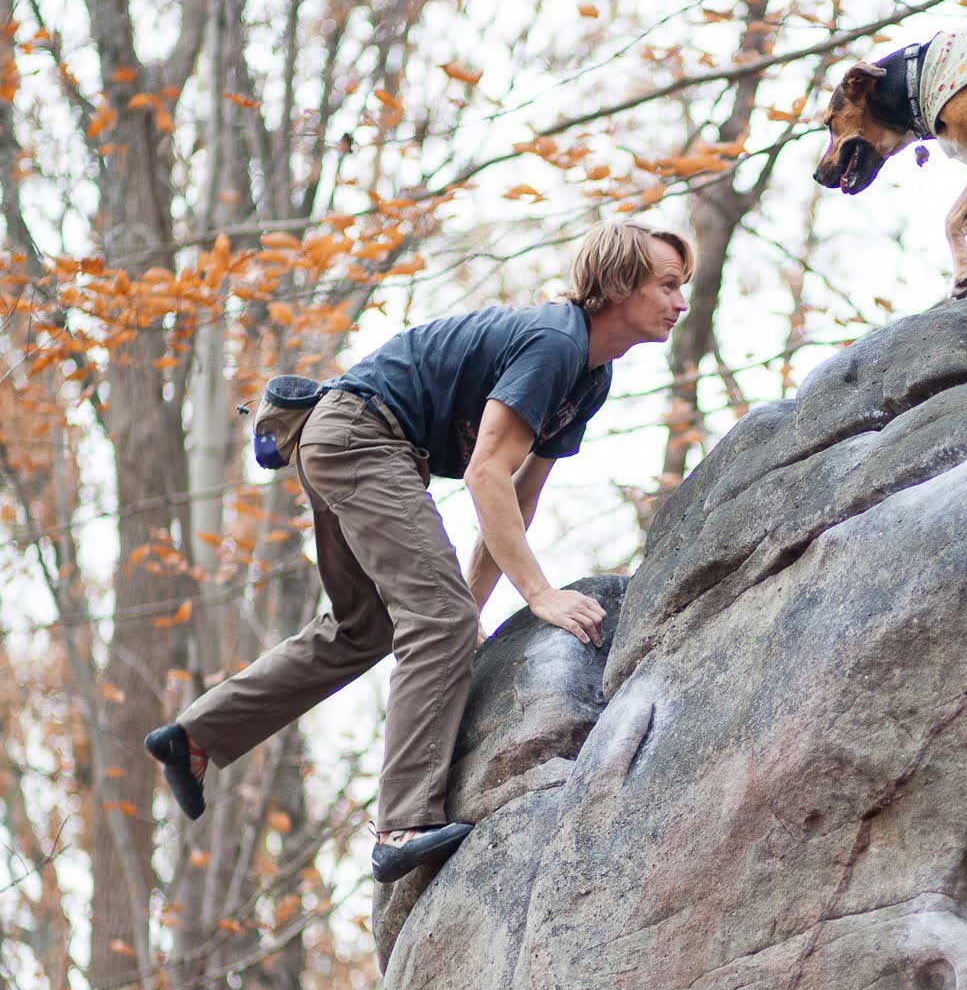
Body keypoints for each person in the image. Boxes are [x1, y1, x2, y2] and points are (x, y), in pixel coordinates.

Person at [145, 220, 693, 882]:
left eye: (683, 287)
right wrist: (537, 595)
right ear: (617, 285)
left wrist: (472, 610)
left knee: (365, 630)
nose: (680, 301)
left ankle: (197, 736)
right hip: (360, 435)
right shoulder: (554, 345)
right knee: (438, 621)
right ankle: (404, 825)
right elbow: (485, 473)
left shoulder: (590, 379)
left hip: (343, 440)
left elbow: (516, 499)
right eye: (666, 284)